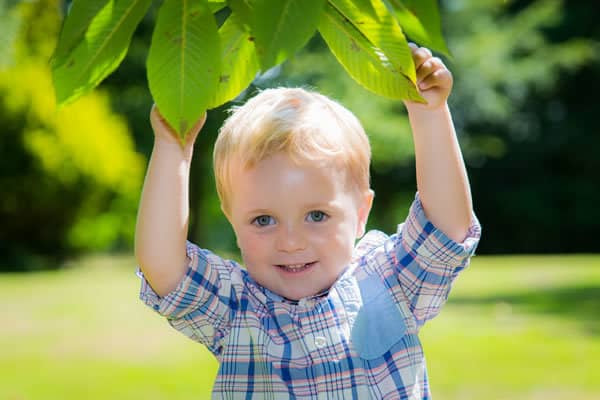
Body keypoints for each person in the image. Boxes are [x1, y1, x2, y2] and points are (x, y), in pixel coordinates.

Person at [135, 44, 481, 399]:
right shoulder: (237, 308)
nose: (290, 242)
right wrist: (172, 146)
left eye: (317, 215)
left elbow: (446, 231)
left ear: (360, 214)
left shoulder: (388, 282)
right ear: (233, 222)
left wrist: (429, 114)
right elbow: (163, 266)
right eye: (263, 220)